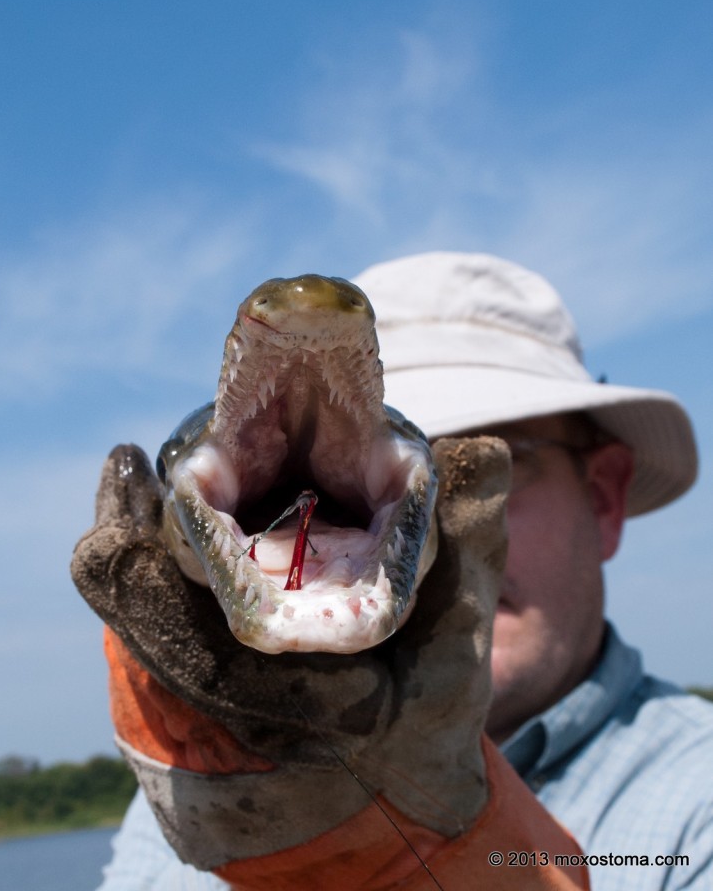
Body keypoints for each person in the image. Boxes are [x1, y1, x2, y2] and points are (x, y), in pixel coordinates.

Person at [79, 252, 713, 890]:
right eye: (336, 470)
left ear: (603, 497)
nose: (446, 515)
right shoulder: (192, 791)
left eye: (497, 464)